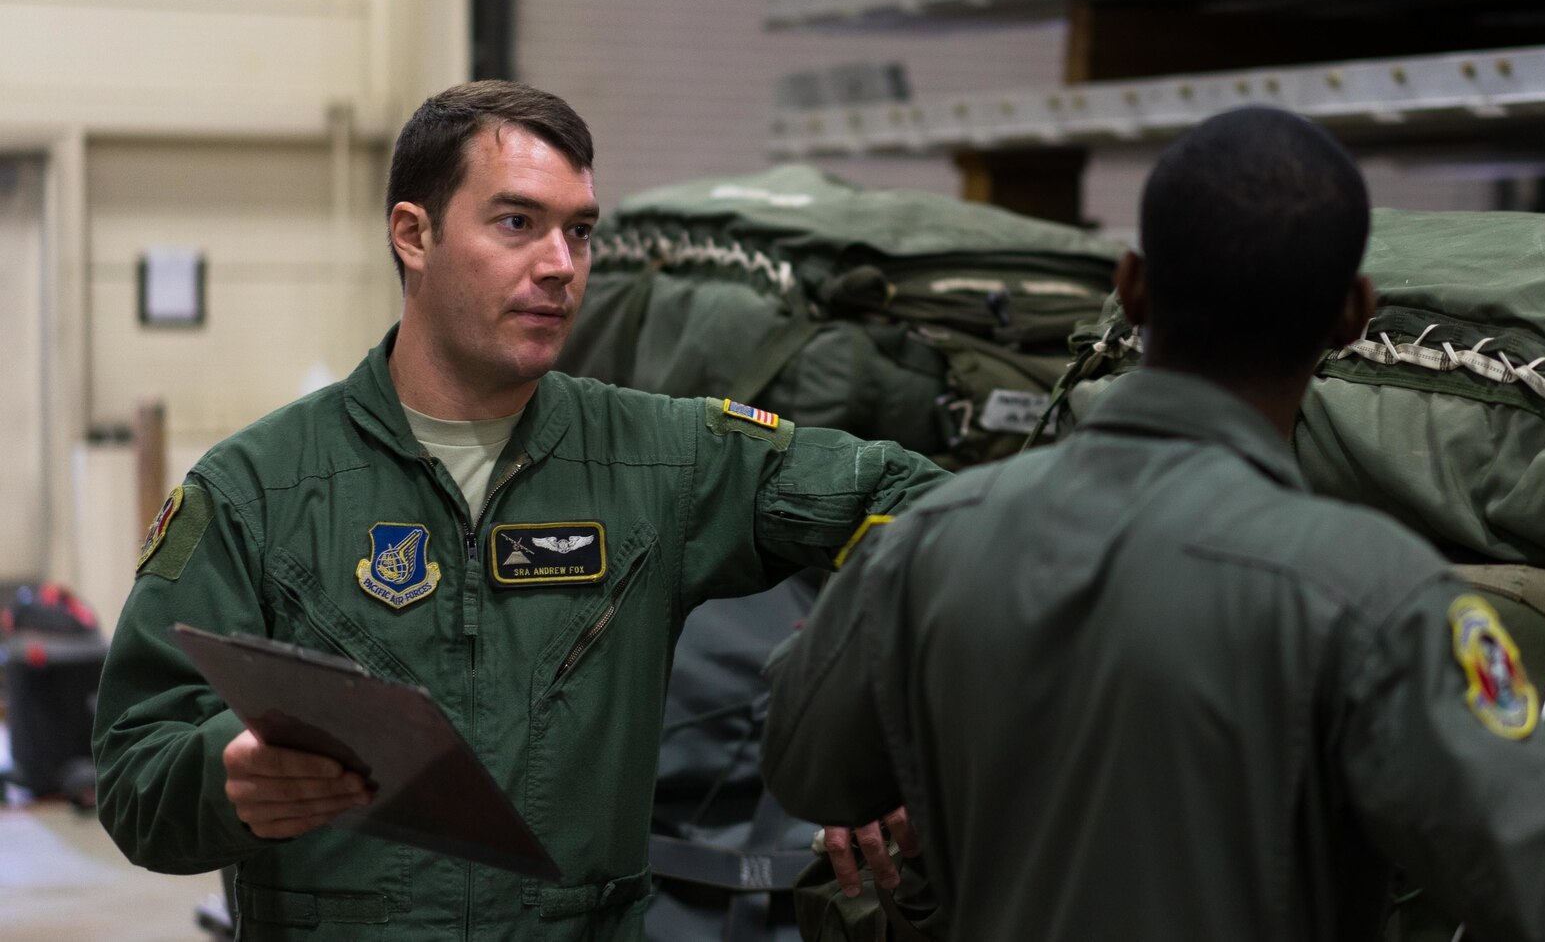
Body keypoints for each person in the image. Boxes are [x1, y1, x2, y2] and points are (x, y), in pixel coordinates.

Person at [761, 105, 1545, 942]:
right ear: (1353, 315)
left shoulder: (930, 543)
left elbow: (809, 767)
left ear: (1132, 288)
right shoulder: (1372, 594)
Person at [93, 81, 948, 940]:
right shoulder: (259, 490)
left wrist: (866, 711)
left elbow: (933, 506)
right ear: (413, 234)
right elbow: (135, 772)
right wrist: (227, 775)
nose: (560, 265)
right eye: (517, 223)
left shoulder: (660, 460)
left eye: (578, 230)